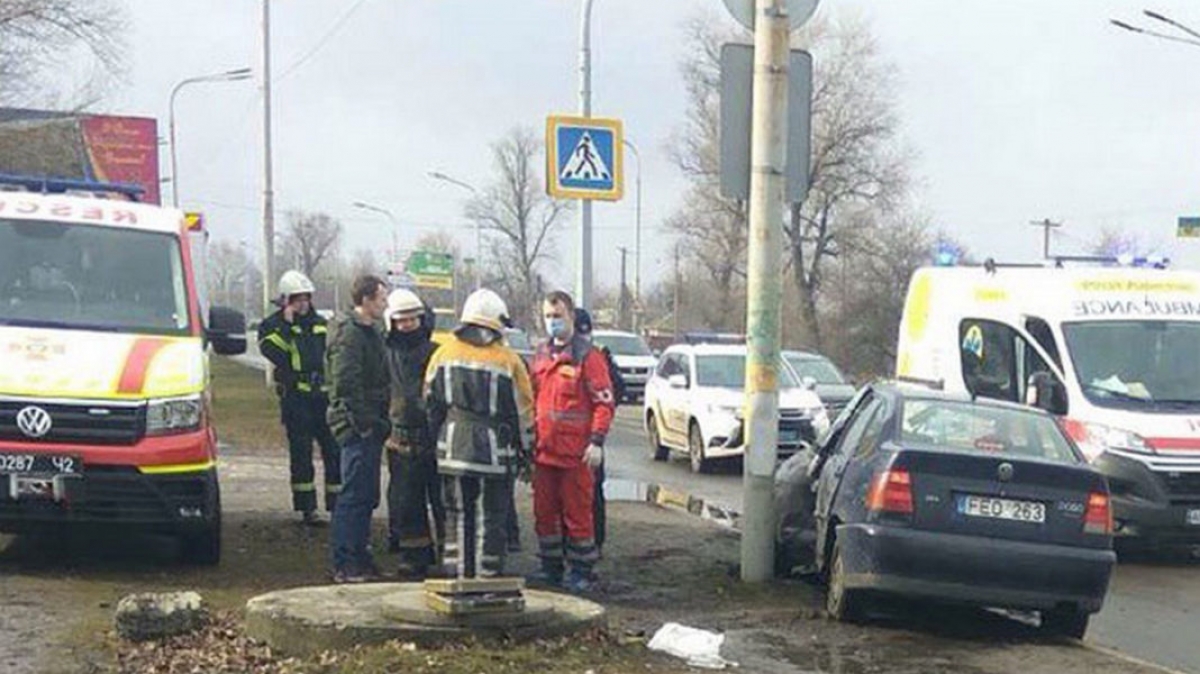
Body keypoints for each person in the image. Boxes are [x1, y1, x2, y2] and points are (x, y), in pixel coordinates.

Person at [424, 288, 533, 579]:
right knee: (491, 518)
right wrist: (527, 452)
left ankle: (456, 577)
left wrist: (434, 441)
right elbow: (524, 412)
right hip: (495, 454)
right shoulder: (509, 360)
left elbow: (430, 402)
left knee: (456, 515)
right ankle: (487, 579)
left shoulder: (442, 354)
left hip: (452, 449)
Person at [530, 291, 615, 593]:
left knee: (578, 516)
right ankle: (550, 568)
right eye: (548, 316)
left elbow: (604, 403)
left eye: (558, 316)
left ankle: (582, 571)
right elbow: (532, 398)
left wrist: (597, 440)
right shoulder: (541, 355)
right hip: (544, 452)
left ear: (572, 317)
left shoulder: (588, 357)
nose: (552, 321)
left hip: (576, 455)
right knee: (545, 515)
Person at [256, 270, 341, 526]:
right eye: (297, 299)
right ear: (285, 300)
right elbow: (275, 352)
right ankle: (307, 508)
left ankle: (338, 507)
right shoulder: (271, 326)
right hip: (295, 399)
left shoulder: (320, 323)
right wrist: (288, 325)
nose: (303, 304)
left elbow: (331, 353)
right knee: (301, 454)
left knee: (334, 450)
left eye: (306, 298)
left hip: (323, 397)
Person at [325, 275, 391, 583]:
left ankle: (361, 558)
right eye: (381, 298)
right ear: (366, 299)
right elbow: (346, 384)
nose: (385, 304)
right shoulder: (350, 335)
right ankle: (346, 562)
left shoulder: (371, 331)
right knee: (353, 496)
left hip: (371, 423)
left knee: (366, 496)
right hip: (356, 426)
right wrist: (365, 423)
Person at [383, 289, 445, 579]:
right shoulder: (386, 353)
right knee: (407, 502)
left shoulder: (436, 352)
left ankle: (450, 552)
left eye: (412, 319)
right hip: (400, 438)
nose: (407, 325)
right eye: (401, 320)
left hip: (433, 436)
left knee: (443, 500)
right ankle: (414, 556)